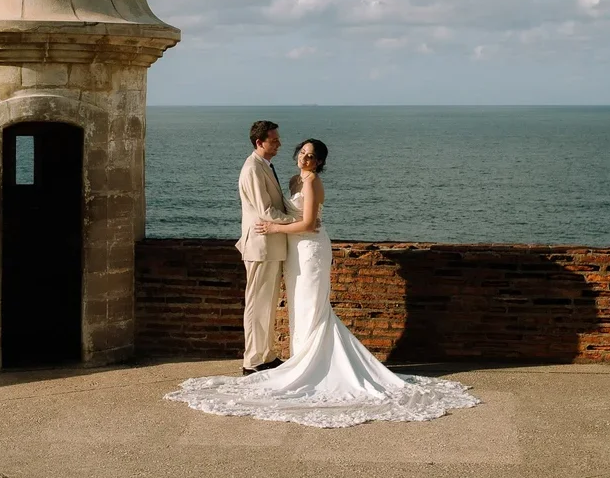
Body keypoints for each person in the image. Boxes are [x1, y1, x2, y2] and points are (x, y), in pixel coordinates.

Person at [166, 137, 480, 427]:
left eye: (312, 156)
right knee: (299, 309)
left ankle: (313, 367)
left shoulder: (313, 183)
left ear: (319, 162)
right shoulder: (292, 180)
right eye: (302, 153)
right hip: (294, 252)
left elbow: (309, 223)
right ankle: (301, 361)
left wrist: (273, 230)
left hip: (312, 249)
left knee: (312, 307)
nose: (305, 159)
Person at [234, 119, 292, 375]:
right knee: (257, 303)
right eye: (274, 140)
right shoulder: (253, 169)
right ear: (259, 142)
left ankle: (266, 355)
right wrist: (299, 220)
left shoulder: (264, 166)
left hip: (269, 246)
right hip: (260, 246)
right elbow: (266, 210)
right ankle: (252, 361)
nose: (279, 143)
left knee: (267, 304)